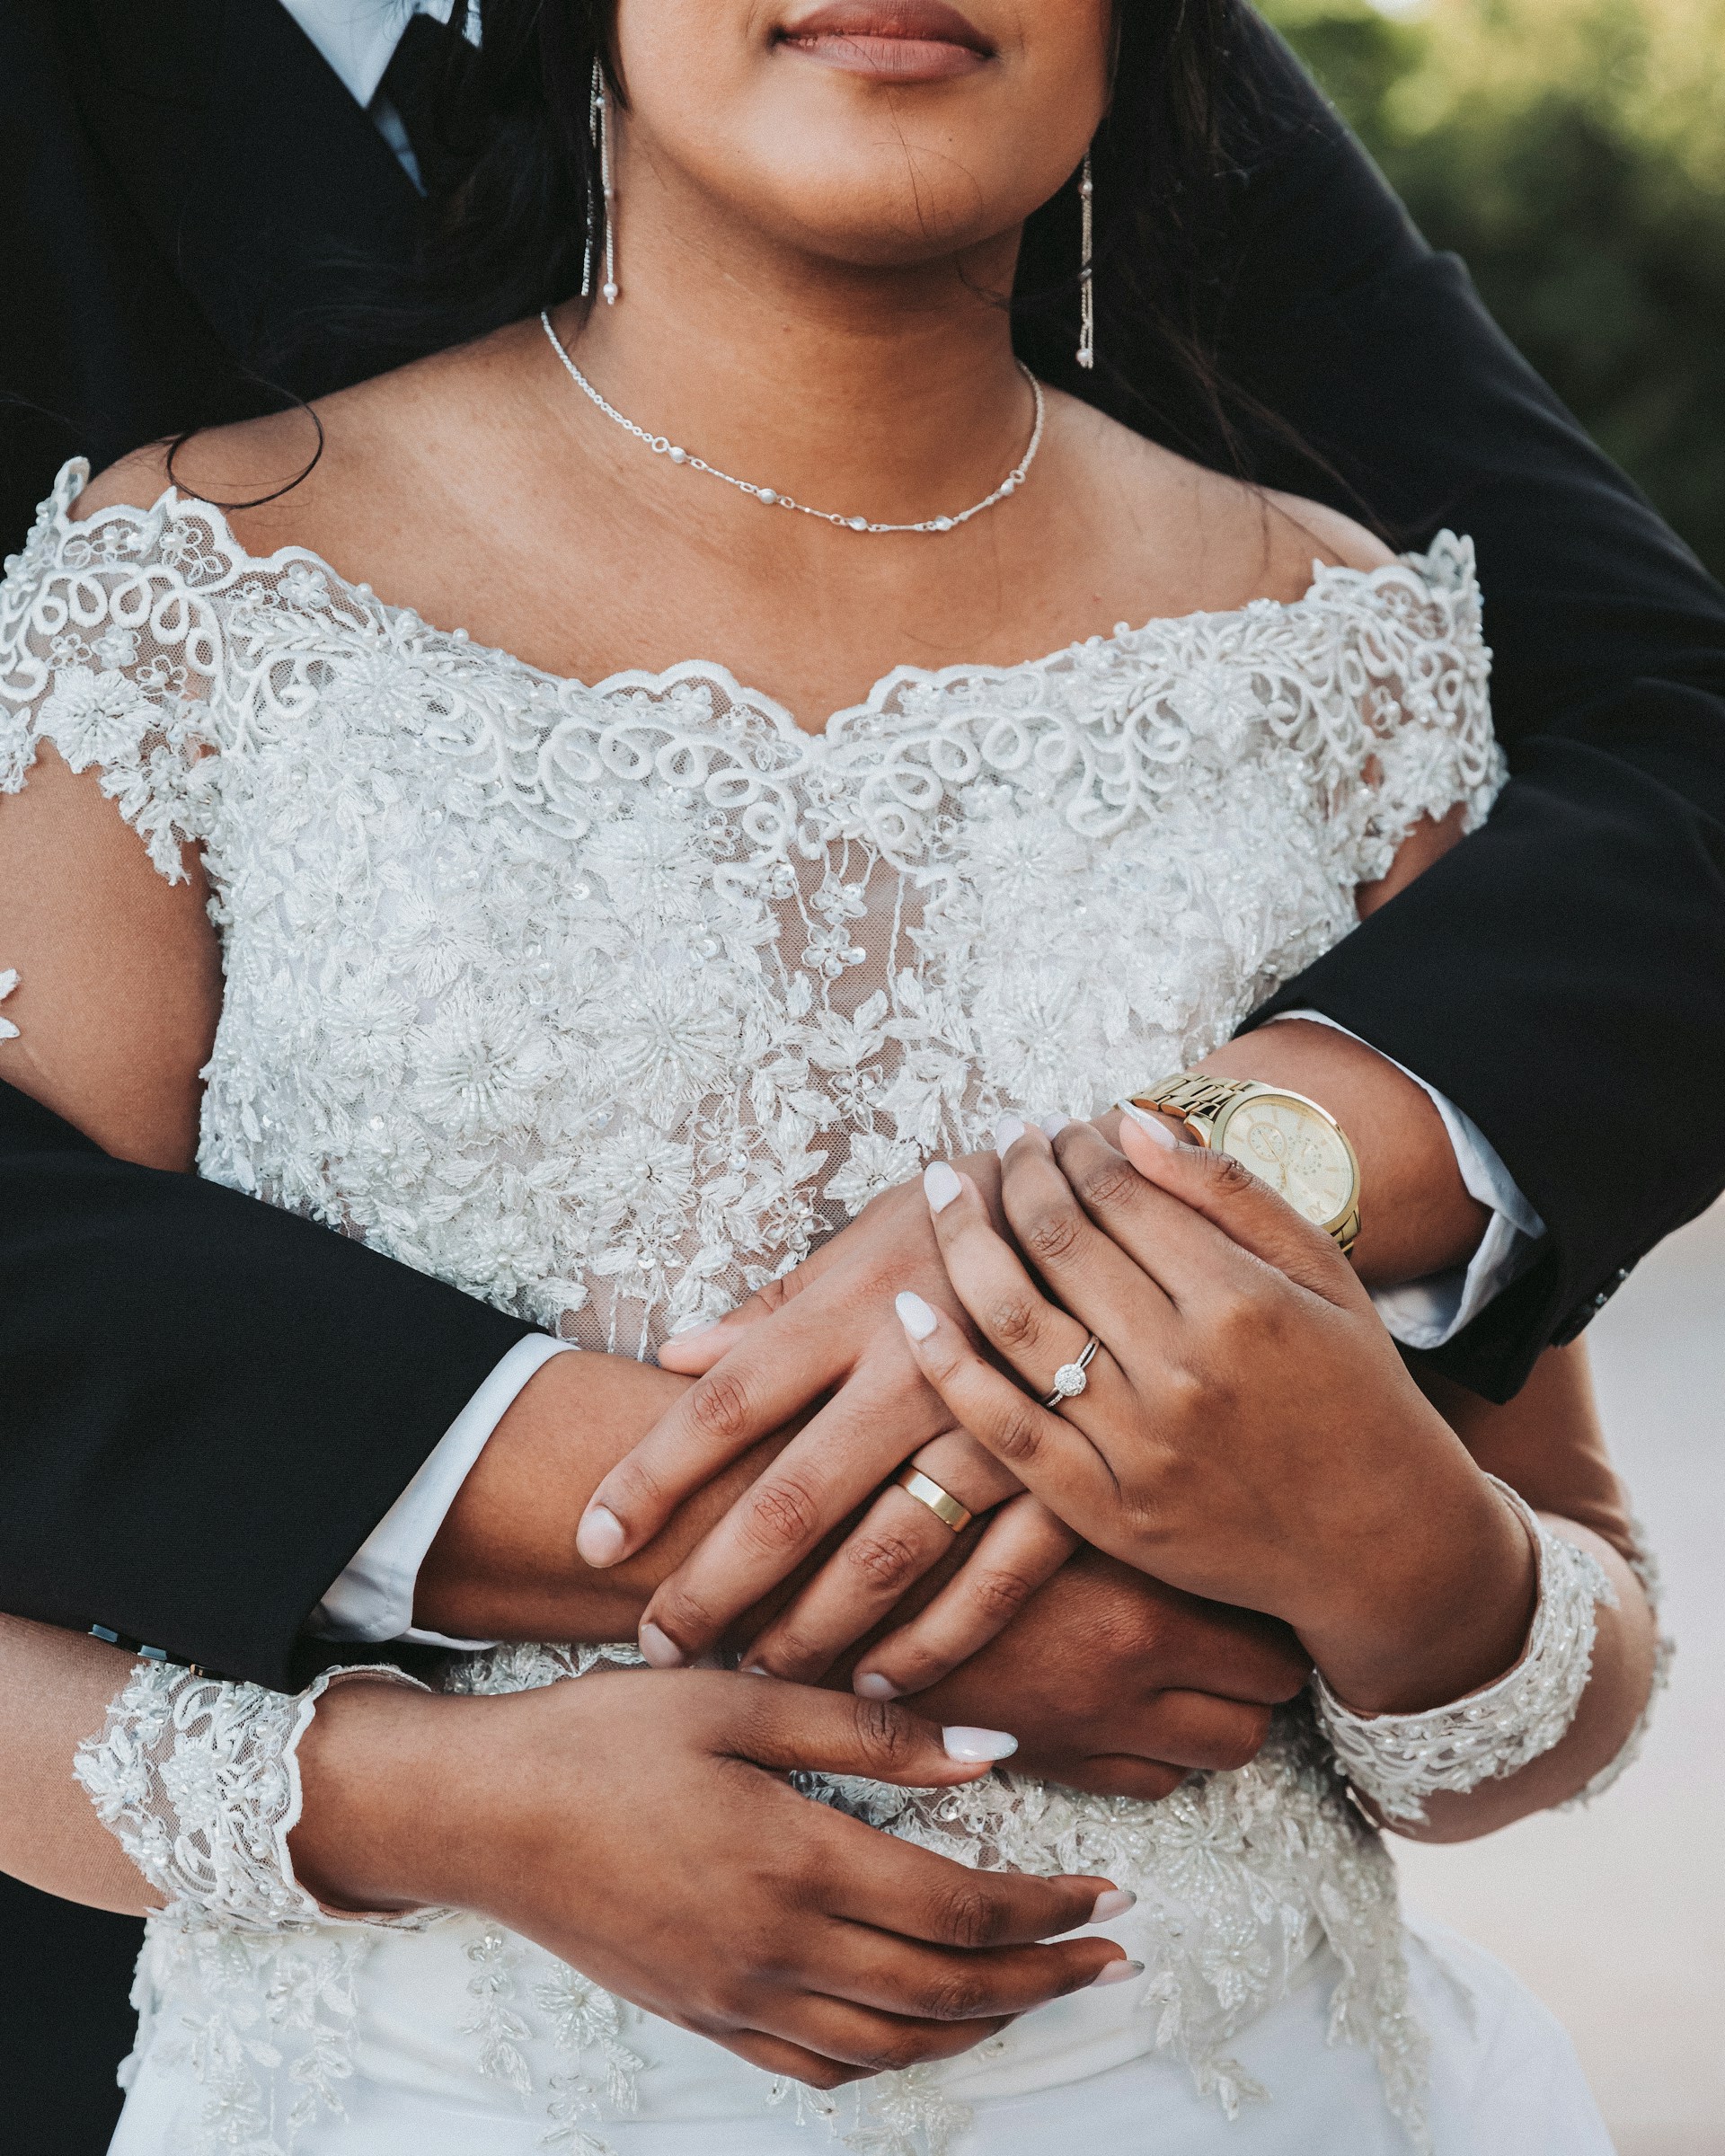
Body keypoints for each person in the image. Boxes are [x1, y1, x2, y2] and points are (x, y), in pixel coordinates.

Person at [0, 0, 1720, 2144]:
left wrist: (1394, 1551)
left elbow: (1543, 1649)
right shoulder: (194, 604)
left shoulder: (1348, 655)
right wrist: (419, 1807)